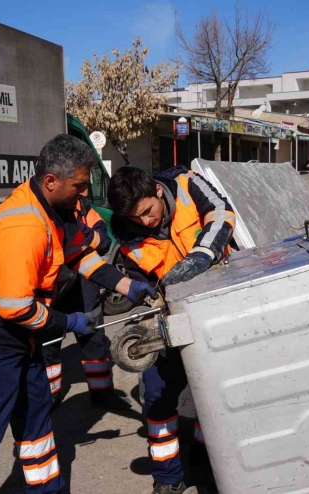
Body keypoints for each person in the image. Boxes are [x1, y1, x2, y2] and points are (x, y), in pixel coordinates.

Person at [0, 135, 155, 494]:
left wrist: (127, 287)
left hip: (19, 341)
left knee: (37, 424)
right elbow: (15, 308)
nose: (84, 196)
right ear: (51, 181)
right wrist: (70, 322)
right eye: (78, 187)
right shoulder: (24, 224)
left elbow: (79, 257)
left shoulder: (56, 210)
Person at [107, 166, 235, 494]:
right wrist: (145, 307)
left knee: (219, 394)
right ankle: (167, 479)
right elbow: (138, 284)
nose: (146, 222)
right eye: (137, 219)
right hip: (172, 318)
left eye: (148, 212)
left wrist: (200, 256)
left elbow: (222, 213)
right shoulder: (126, 235)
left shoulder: (186, 184)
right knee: (158, 393)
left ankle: (210, 464)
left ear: (158, 193)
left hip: (220, 307)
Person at [42, 193, 131, 410]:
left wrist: (83, 235)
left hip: (84, 287)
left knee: (94, 343)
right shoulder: (44, 209)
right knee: (48, 349)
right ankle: (50, 396)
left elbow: (104, 241)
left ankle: (102, 395)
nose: (82, 192)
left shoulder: (84, 209)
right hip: (54, 290)